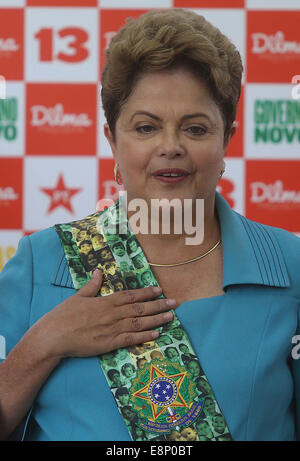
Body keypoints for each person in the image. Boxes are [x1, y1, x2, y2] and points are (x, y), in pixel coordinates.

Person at [0, 8, 300, 442]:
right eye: (146, 127)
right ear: (112, 139)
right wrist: (43, 343)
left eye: (195, 129)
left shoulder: (289, 267)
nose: (171, 147)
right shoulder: (40, 263)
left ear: (227, 139)